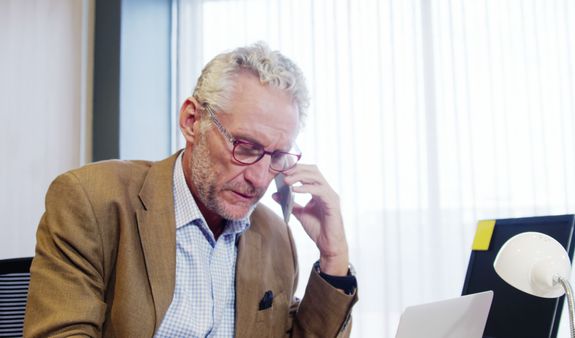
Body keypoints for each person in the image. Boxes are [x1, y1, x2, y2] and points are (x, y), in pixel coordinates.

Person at [24, 42, 357, 337]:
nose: (259, 178)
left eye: (276, 156)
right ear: (192, 121)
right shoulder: (91, 201)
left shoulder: (274, 236)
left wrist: (334, 256)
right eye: (245, 147)